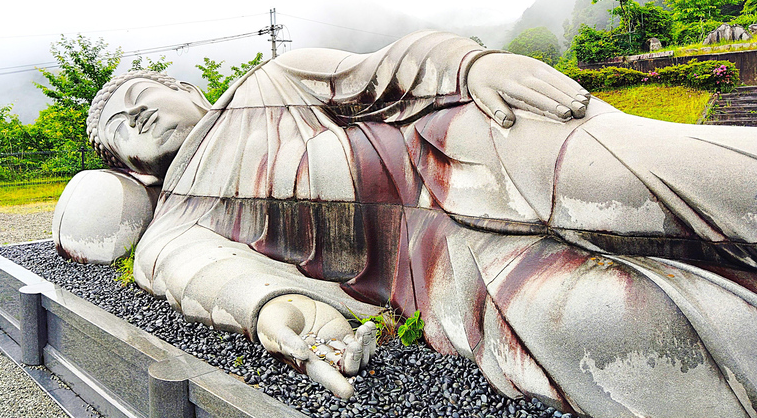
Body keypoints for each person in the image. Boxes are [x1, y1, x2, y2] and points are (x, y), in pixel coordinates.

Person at [74, 31, 757, 417]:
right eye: (119, 129)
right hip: (435, 271)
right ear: (133, 170)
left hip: (462, 147)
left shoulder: (269, 83)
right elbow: (207, 276)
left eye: (138, 96)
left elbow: (383, 72)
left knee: (633, 176)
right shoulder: (170, 230)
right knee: (598, 323)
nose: (136, 116)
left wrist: (474, 66)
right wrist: (277, 307)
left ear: (185, 88)